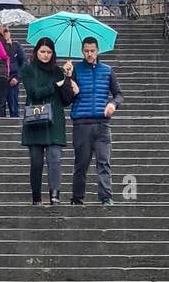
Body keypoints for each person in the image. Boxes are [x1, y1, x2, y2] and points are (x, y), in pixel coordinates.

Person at [20, 38, 78, 206]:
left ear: (53, 54)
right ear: (36, 52)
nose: (45, 55)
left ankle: (55, 196)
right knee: (36, 162)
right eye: (42, 51)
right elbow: (34, 93)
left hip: (55, 122)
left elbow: (66, 100)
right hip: (35, 121)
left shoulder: (58, 72)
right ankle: (36, 197)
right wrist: (55, 85)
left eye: (49, 52)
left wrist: (68, 77)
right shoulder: (28, 69)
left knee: (55, 160)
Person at [70, 37, 124, 206]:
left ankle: (106, 197)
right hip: (81, 123)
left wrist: (113, 104)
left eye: (92, 50)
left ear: (98, 50)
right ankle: (77, 198)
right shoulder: (75, 69)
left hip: (102, 123)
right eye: (86, 51)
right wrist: (68, 80)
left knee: (104, 162)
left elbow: (118, 94)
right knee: (81, 163)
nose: (90, 54)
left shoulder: (107, 70)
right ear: (82, 51)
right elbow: (66, 96)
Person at [2, 28, 26, 119]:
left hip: (13, 78)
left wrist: (17, 77)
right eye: (3, 32)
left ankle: (15, 118)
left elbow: (23, 62)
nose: (5, 34)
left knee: (13, 104)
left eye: (6, 31)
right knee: (1, 105)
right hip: (2, 77)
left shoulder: (16, 46)